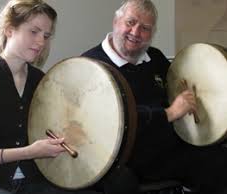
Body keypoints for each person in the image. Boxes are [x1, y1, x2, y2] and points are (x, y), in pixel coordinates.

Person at [82, 0, 227, 194]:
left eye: (145, 28)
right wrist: (168, 113)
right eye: (130, 22)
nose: (135, 32)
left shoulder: (155, 58)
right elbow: (108, 120)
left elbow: (175, 93)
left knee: (217, 160)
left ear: (152, 33)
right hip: (123, 157)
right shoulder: (90, 66)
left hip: (166, 148)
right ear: (116, 21)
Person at [0, 1, 101, 194]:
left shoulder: (41, 81)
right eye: (34, 32)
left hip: (33, 181)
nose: (41, 42)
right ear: (9, 30)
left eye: (46, 36)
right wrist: (28, 152)